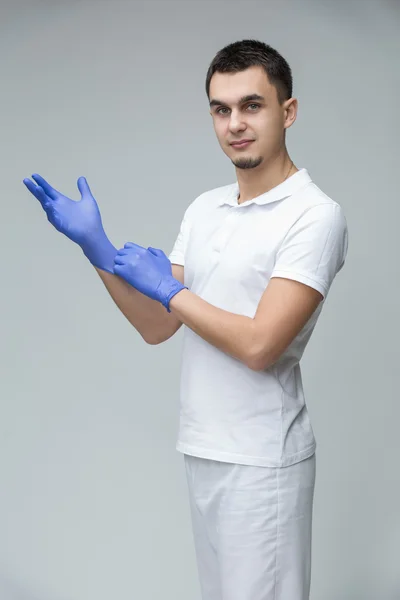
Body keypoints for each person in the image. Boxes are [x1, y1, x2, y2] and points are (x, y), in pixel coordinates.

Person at [23, 39, 348, 600]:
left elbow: (260, 344)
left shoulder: (315, 216)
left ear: (287, 112)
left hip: (263, 458)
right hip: (204, 447)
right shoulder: (205, 208)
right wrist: (96, 249)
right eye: (221, 110)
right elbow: (157, 325)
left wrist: (172, 291)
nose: (234, 124)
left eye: (252, 105)